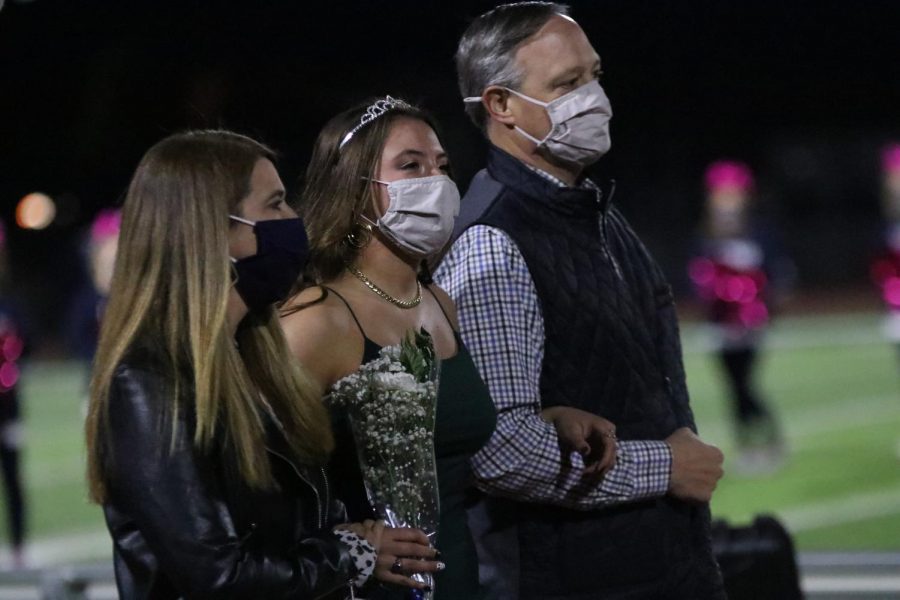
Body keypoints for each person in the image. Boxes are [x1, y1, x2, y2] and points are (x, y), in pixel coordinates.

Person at [436, 3, 726, 598]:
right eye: (567, 84)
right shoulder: (495, 243)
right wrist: (666, 467)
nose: (592, 97)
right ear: (500, 106)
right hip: (572, 576)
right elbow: (501, 450)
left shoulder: (593, 210)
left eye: (594, 75)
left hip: (652, 565)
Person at [84, 130, 439, 599]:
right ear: (214, 230)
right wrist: (349, 554)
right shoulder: (149, 381)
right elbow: (217, 576)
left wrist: (357, 538)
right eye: (274, 205)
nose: (294, 221)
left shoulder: (248, 350)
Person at [280, 96, 508, 600]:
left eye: (442, 166)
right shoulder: (318, 318)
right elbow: (248, 481)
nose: (437, 181)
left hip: (461, 580)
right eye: (411, 165)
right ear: (355, 190)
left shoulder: (440, 304)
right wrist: (343, 542)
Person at [689, 160, 792, 474]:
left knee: (746, 383)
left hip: (750, 325)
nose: (727, 199)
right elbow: (697, 280)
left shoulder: (760, 232)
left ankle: (773, 440)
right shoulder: (705, 235)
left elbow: (776, 275)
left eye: (733, 193)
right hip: (720, 327)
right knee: (732, 386)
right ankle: (747, 445)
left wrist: (764, 308)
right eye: (721, 193)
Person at [0, 220, 27, 569]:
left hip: (6, 410)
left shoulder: (8, 304)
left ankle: (19, 547)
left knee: (12, 480)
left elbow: (25, 347)